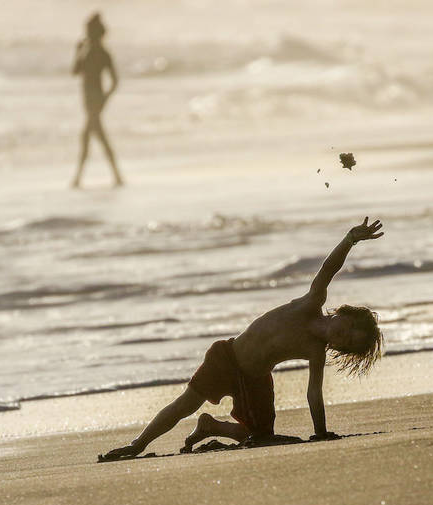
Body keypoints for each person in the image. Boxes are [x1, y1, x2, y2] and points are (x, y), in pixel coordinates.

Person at [100, 218, 386, 461]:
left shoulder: (315, 351)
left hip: (256, 379)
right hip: (227, 357)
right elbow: (328, 269)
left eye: (347, 343)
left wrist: (320, 431)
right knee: (185, 404)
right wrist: (350, 239)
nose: (342, 336)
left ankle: (211, 427)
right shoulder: (311, 303)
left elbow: (314, 393)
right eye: (348, 328)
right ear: (341, 312)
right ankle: (137, 444)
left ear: (341, 350)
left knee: (262, 436)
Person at [71, 12, 124, 188]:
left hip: (95, 100)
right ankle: (117, 176)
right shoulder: (86, 52)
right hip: (88, 100)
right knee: (99, 136)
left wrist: (105, 99)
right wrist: (77, 52)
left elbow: (115, 81)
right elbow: (75, 72)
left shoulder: (102, 53)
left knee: (87, 136)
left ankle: (78, 178)